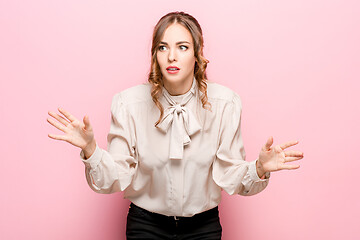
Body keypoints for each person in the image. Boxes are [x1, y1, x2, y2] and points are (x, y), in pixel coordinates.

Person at [47, 11, 304, 240]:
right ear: (154, 54)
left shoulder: (225, 103)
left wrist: (258, 168)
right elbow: (113, 178)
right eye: (162, 47)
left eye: (182, 47)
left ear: (197, 53)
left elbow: (230, 176)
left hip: (204, 227)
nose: (171, 56)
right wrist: (91, 149)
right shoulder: (128, 104)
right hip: (145, 225)